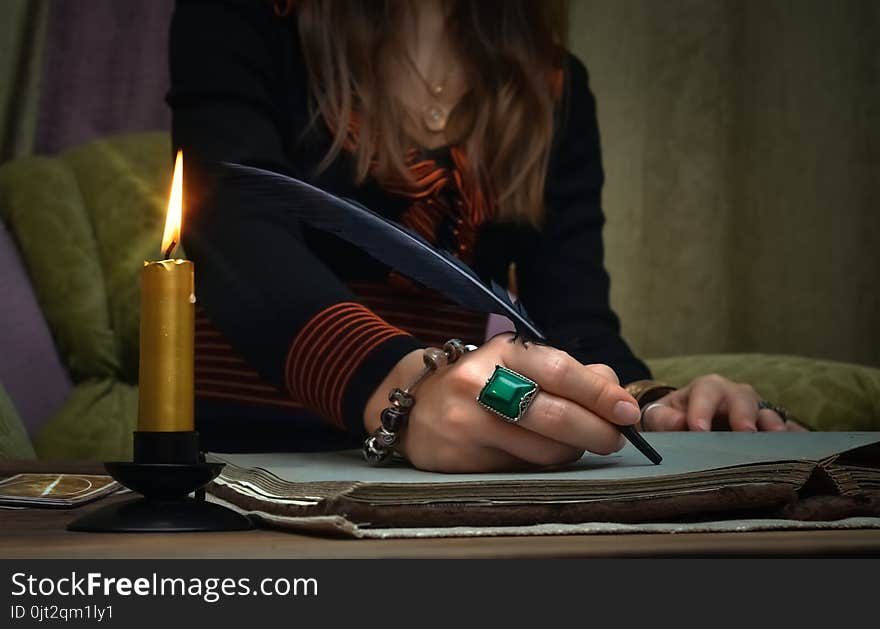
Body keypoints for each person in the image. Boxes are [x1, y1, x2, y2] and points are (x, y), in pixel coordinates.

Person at [168, 0, 800, 473]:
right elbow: (239, 239)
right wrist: (402, 391)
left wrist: (648, 403)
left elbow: (574, 317)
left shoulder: (553, 85)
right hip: (252, 461)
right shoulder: (242, 17)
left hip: (447, 475)